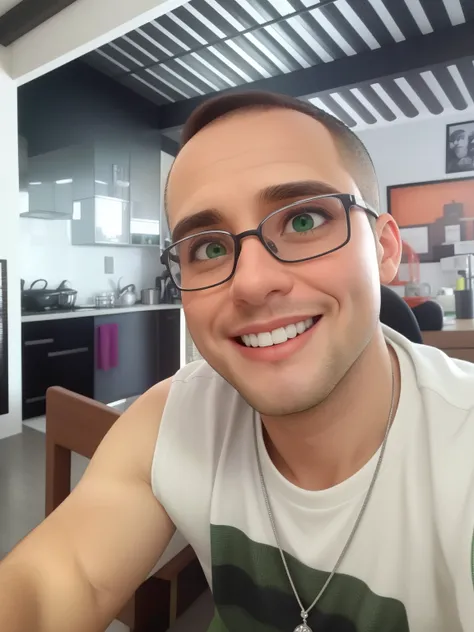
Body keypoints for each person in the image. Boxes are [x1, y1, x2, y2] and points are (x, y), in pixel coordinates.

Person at [1, 91, 474, 632]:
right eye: (206, 247)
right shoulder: (179, 418)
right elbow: (60, 580)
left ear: (384, 249)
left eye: (302, 221)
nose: (251, 282)